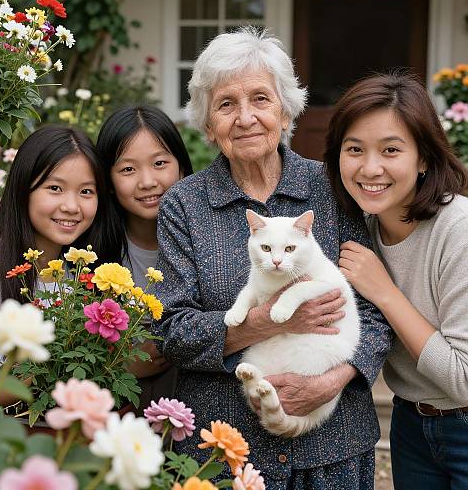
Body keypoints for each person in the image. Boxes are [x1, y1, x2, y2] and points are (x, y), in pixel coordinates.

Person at [152, 27, 393, 489]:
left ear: (285, 111)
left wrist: (332, 381)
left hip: (333, 446)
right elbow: (172, 331)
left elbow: (376, 308)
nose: (245, 118)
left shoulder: (333, 187)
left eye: (260, 99)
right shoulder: (184, 204)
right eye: (226, 105)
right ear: (207, 125)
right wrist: (268, 320)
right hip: (222, 454)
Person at [323, 72, 468, 490]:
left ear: (423, 158)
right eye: (355, 150)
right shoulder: (356, 227)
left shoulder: (456, 230)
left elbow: (462, 376)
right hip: (410, 422)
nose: (370, 168)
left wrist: (383, 291)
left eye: (390, 150)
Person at [0, 125, 108, 375]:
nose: (71, 206)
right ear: (23, 189)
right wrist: (43, 377)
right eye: (55, 188)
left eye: (86, 191)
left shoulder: (76, 277)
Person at [95, 105, 193, 411]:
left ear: (181, 168)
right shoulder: (91, 251)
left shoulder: (206, 243)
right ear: (107, 182)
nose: (147, 181)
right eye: (128, 169)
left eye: (160, 163)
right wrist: (123, 368)